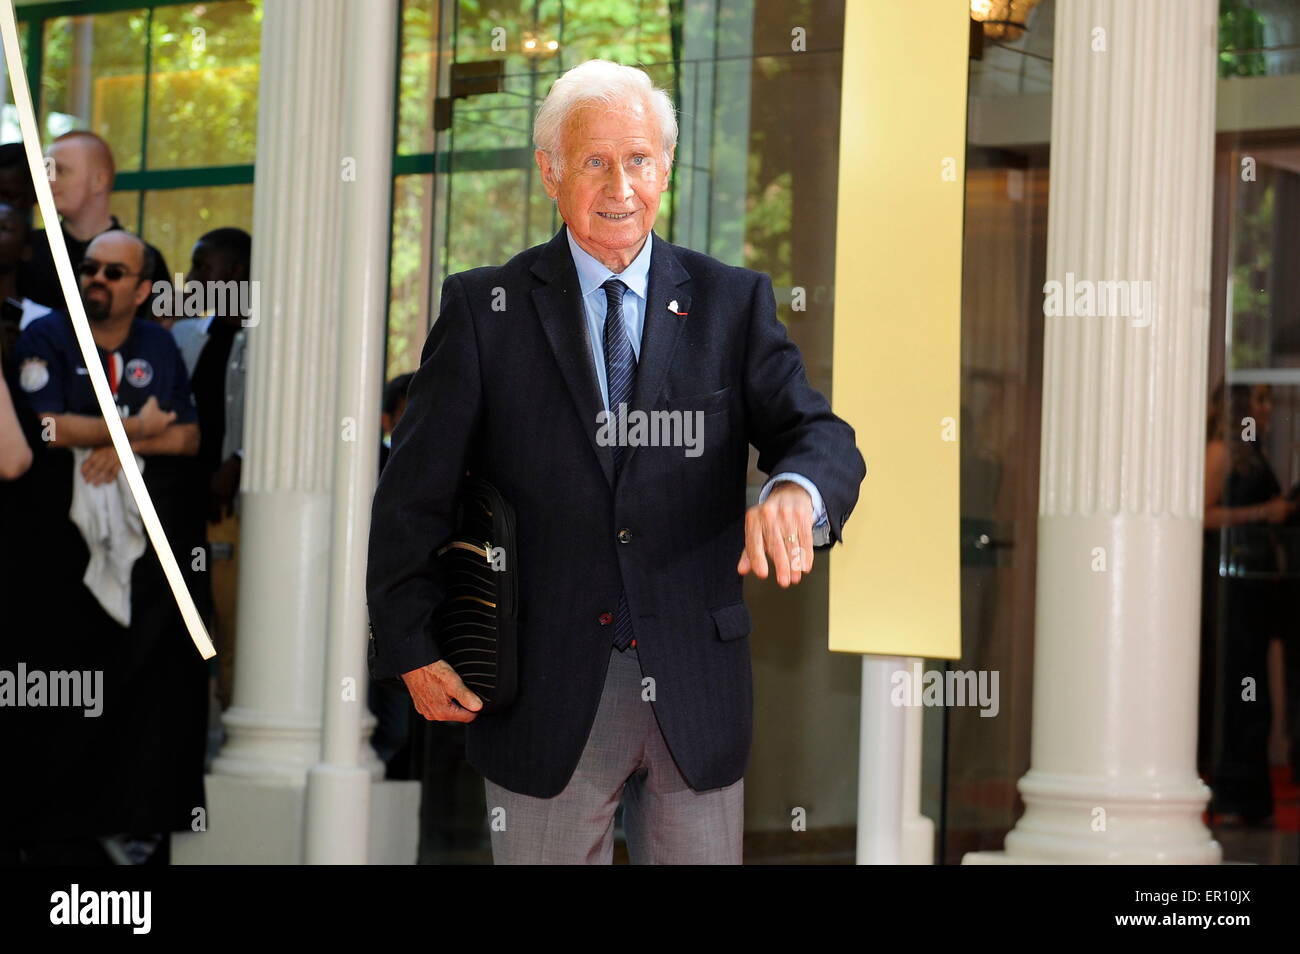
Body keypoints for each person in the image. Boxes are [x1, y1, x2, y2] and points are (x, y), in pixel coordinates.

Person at [367, 59, 866, 864]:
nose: (619, 183)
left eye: (638, 159)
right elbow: (410, 499)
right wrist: (412, 644)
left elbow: (820, 434)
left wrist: (794, 491)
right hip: (543, 689)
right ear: (550, 171)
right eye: (594, 160)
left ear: (664, 168)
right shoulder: (482, 308)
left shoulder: (732, 302)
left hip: (696, 690)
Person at [13, 230, 208, 863]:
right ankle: (53, 826)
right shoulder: (46, 336)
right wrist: (135, 429)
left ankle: (133, 819)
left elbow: (186, 439)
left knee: (144, 683)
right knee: (64, 684)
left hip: (145, 551)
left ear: (143, 289)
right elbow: (41, 426)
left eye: (113, 273)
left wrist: (112, 442)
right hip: (56, 552)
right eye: (89, 268)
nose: (96, 279)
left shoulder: (157, 343)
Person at [1200, 381, 1296, 827]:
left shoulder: (1252, 453)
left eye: (1267, 399)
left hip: (1255, 589)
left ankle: (1247, 798)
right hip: (1232, 591)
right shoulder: (1221, 451)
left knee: (1254, 692)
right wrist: (1264, 513)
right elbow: (1201, 515)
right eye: (1258, 400)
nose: (1266, 409)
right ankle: (1235, 794)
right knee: (1241, 691)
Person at [169, 227, 251, 711]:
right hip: (185, 504)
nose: (195, 276)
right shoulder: (188, 336)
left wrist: (238, 461)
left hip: (234, 510)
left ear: (234, 272)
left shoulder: (268, 337)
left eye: (204, 266)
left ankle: (234, 719)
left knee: (234, 623)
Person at [19, 131, 169, 319]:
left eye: (61, 171)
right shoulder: (26, 248)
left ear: (99, 181)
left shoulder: (144, 257)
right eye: (47, 171)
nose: (48, 181)